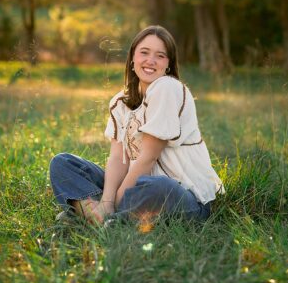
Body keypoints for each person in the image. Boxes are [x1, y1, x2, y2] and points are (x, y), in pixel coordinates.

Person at [49, 25, 224, 225]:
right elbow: (117, 158)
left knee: (156, 187)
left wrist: (112, 202)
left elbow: (148, 158)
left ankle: (90, 215)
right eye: (144, 52)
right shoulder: (120, 102)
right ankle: (103, 216)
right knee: (63, 163)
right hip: (135, 187)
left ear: (168, 64)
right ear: (133, 57)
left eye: (160, 56)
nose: (151, 60)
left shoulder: (168, 88)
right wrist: (107, 200)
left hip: (183, 196)